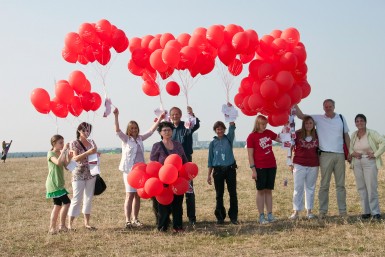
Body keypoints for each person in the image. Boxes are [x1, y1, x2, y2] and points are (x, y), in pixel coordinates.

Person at [295, 99, 350, 218]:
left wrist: (349, 152)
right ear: (323, 108)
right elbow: (301, 116)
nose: (328, 108)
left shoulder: (341, 118)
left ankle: (342, 211)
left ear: (334, 106)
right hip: (325, 155)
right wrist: (293, 101)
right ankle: (322, 211)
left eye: (330, 106)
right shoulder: (318, 119)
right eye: (326, 106)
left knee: (340, 185)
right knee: (324, 184)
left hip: (339, 155)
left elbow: (346, 135)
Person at [113, 107, 165, 229]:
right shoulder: (126, 139)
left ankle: (135, 218)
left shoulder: (141, 138)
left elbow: (151, 131)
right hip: (129, 171)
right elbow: (117, 130)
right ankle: (127, 220)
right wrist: (116, 116)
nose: (134, 130)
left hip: (141, 171)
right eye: (132, 128)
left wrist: (159, 119)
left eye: (135, 128)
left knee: (138, 195)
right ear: (128, 130)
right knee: (129, 195)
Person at [150, 121, 188, 233]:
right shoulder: (157, 146)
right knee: (162, 205)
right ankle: (162, 227)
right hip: (162, 180)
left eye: (169, 130)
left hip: (177, 180)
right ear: (160, 132)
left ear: (172, 131)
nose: (167, 132)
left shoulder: (178, 145)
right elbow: (153, 164)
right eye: (164, 130)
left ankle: (178, 226)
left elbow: (184, 160)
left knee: (178, 204)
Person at [247, 115, 281, 224]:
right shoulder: (251, 137)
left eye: (266, 124)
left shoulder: (269, 133)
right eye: (262, 124)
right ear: (257, 123)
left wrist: (287, 129)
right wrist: (253, 170)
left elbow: (280, 139)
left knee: (269, 190)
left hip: (271, 165)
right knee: (261, 191)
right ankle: (261, 216)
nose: (264, 126)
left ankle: (270, 214)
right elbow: (250, 155)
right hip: (259, 167)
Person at [350, 114, 385, 220]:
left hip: (369, 161)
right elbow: (351, 148)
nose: (359, 123)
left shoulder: (372, 133)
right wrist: (353, 153)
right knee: (361, 187)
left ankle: (375, 212)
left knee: (371, 187)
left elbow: (383, 142)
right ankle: (366, 211)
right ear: (355, 123)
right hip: (357, 162)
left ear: (365, 122)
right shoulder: (354, 135)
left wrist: (375, 154)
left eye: (361, 120)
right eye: (357, 121)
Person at [170, 106, 200, 225]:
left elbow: (196, 125)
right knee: (175, 190)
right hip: (172, 164)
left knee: (189, 190)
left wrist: (192, 114)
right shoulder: (169, 128)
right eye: (173, 114)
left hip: (186, 162)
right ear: (170, 116)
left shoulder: (186, 125)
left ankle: (192, 218)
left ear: (181, 115)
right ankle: (177, 217)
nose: (175, 116)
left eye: (177, 114)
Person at [68, 122, 98, 230]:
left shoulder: (92, 142)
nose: (87, 132)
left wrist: (96, 155)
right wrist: (89, 152)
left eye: (89, 130)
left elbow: (94, 153)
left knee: (88, 198)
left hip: (91, 172)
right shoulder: (74, 143)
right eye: (85, 130)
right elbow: (75, 158)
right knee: (77, 198)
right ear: (79, 131)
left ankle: (86, 223)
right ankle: (70, 225)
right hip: (78, 172)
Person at [207, 120, 238, 225]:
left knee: (232, 193)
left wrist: (232, 124)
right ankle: (220, 217)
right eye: (217, 129)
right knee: (219, 194)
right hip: (218, 171)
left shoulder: (228, 139)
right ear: (215, 130)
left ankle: (233, 217)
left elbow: (232, 131)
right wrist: (209, 175)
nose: (219, 130)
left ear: (224, 129)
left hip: (230, 169)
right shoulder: (212, 143)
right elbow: (210, 160)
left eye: (221, 129)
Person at [289, 116, 319, 220]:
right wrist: (289, 161)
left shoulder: (317, 134)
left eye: (310, 123)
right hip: (299, 163)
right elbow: (290, 146)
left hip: (313, 164)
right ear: (303, 124)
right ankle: (296, 211)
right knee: (298, 188)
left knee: (310, 188)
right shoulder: (297, 134)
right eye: (306, 123)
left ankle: (309, 211)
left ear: (313, 124)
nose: (308, 125)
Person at [46, 135, 73, 234]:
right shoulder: (51, 153)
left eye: (63, 142)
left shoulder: (60, 153)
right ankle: (62, 226)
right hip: (54, 183)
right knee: (67, 202)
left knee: (57, 205)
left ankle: (52, 228)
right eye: (60, 143)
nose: (62, 144)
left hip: (59, 183)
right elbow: (57, 162)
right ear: (54, 144)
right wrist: (64, 151)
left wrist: (69, 157)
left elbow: (66, 166)